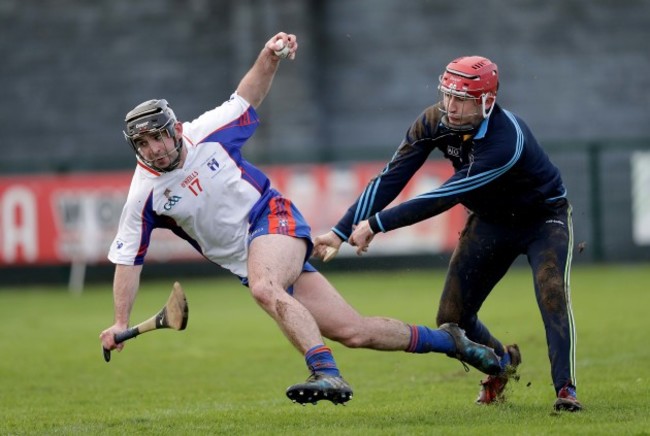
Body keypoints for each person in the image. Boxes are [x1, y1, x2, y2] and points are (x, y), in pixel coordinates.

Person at [99, 34, 504, 406]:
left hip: (272, 219)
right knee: (354, 331)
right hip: (251, 257)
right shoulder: (144, 195)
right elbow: (127, 261)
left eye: (158, 136)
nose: (153, 149)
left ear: (174, 130)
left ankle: (326, 374)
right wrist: (120, 322)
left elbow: (247, 95)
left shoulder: (206, 132)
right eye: (143, 143)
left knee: (264, 286)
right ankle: (453, 342)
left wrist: (269, 55)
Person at [313, 55, 582, 412]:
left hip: (542, 219)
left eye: (462, 99)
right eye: (447, 96)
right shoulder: (434, 120)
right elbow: (392, 176)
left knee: (551, 292)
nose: (450, 107)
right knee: (451, 319)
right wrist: (339, 230)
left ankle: (565, 390)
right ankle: (501, 363)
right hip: (489, 219)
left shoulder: (504, 142)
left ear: (486, 101)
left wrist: (378, 224)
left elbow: (444, 195)